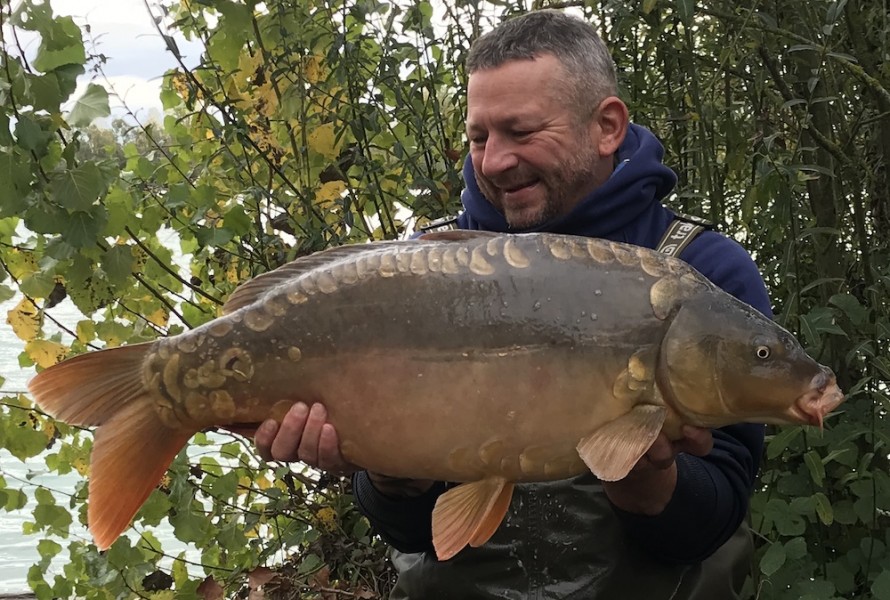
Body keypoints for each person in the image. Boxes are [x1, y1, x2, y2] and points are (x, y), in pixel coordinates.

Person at [255, 9, 771, 599]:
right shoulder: (417, 272)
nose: (495, 160)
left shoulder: (701, 276)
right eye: (480, 137)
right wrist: (389, 476)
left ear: (606, 126)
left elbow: (712, 521)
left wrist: (645, 480)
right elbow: (417, 537)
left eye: (521, 133)